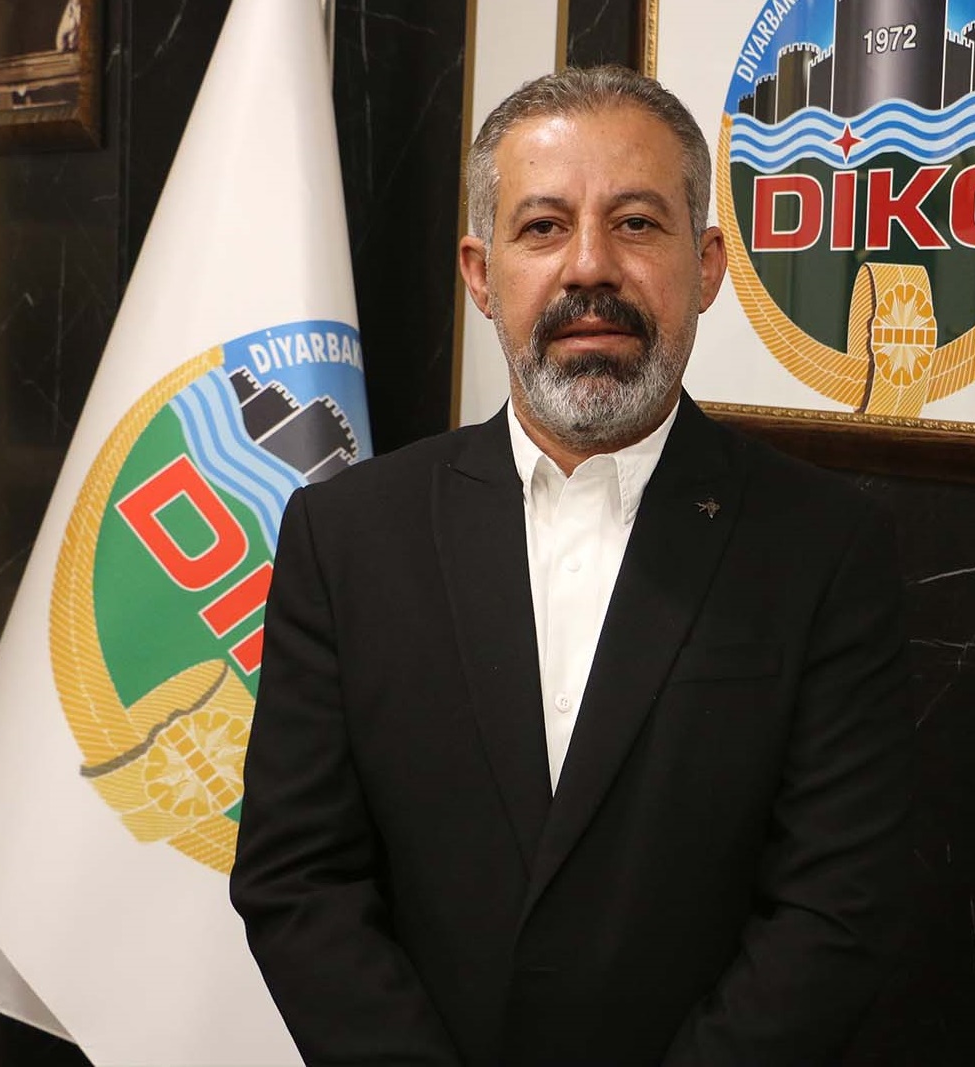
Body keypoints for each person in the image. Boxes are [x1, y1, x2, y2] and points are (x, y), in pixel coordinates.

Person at [231, 64, 913, 1066]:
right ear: (480, 274)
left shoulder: (824, 545)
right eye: (543, 226)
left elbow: (838, 906)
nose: (590, 265)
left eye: (635, 223)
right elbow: (298, 879)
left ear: (707, 265)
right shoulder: (346, 537)